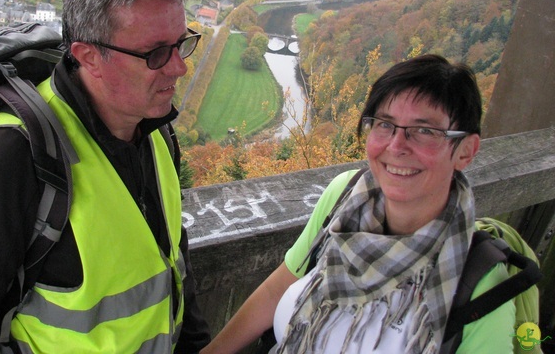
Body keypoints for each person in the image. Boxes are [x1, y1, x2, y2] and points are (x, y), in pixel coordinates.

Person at [0, 0, 211, 353]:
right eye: (155, 53)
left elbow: (171, 267)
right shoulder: (8, 157)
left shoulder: (155, 133)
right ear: (88, 56)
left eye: (181, 43)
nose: (179, 66)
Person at [201, 54, 515, 354]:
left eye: (424, 131)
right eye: (384, 124)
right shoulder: (344, 196)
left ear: (465, 151)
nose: (396, 146)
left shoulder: (482, 284)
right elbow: (282, 285)